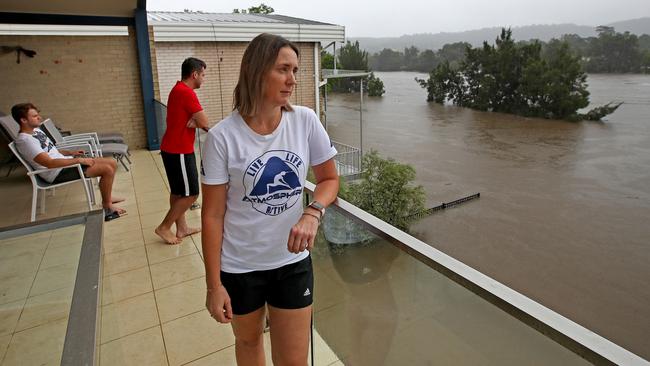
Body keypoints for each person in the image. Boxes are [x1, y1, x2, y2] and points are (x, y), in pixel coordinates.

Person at [201, 33, 339, 366]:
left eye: (295, 69)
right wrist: (213, 285)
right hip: (240, 267)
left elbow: (330, 179)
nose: (293, 79)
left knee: (293, 361)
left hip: (291, 264)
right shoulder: (222, 138)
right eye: (283, 69)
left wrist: (313, 212)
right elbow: (212, 216)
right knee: (248, 344)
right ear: (257, 70)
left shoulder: (304, 121)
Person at [11, 103, 126, 221]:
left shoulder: (36, 131)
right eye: (35, 116)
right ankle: (107, 205)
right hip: (55, 173)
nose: (39, 117)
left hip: (65, 163)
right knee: (107, 169)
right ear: (23, 120)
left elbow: (52, 151)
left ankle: (108, 197)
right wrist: (79, 160)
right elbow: (49, 163)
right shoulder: (25, 141)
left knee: (111, 162)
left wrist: (71, 153)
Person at [155, 57, 210, 244]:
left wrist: (193, 122)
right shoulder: (186, 93)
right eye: (203, 75)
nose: (204, 79)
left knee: (178, 192)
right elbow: (205, 123)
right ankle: (164, 227)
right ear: (194, 74)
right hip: (179, 150)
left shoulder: (177, 89)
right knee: (191, 193)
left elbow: (197, 122)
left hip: (170, 148)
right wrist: (196, 123)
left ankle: (182, 228)